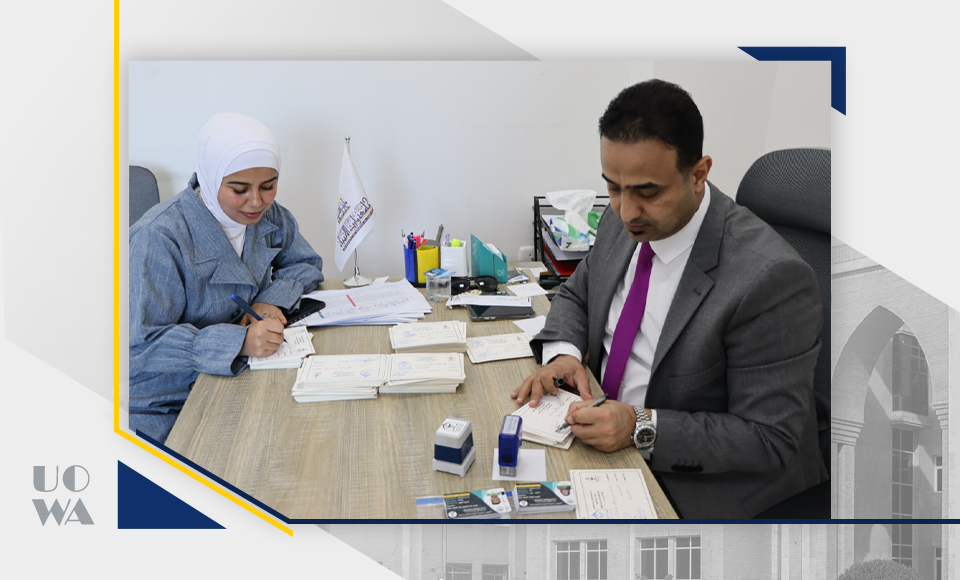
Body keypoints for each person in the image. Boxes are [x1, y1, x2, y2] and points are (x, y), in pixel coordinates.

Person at [513, 79, 826, 518]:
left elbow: (768, 438)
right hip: (595, 432)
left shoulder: (770, 278)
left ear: (698, 174)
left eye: (648, 192)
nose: (626, 211)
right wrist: (563, 353)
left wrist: (640, 425)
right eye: (614, 187)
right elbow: (577, 291)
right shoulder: (623, 218)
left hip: (701, 475)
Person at [129, 113, 324, 444]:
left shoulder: (269, 216)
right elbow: (144, 345)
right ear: (210, 177)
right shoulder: (157, 237)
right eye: (239, 189)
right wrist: (238, 342)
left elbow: (305, 263)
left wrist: (270, 299)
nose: (256, 201)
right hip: (166, 403)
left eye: (268, 186)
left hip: (241, 379)